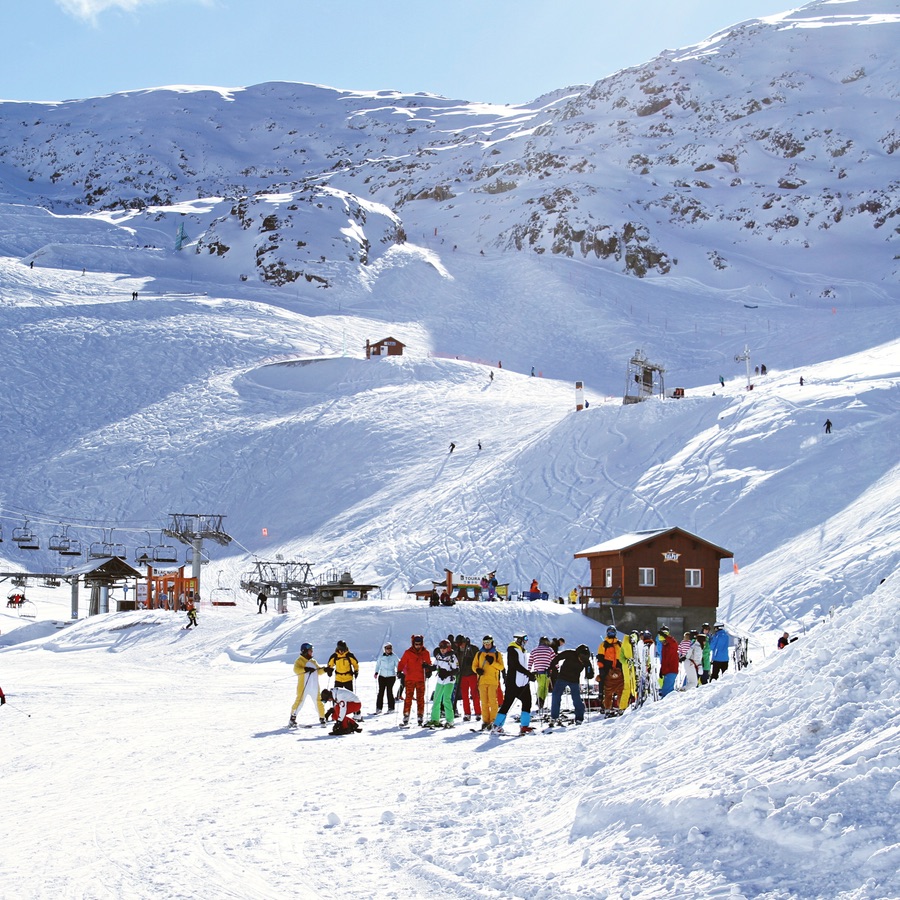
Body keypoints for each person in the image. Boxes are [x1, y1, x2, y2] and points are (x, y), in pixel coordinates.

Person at [492, 633, 535, 735]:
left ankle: (524, 726)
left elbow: (523, 666)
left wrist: (529, 674)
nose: (526, 641)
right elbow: (515, 665)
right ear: (519, 640)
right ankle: (497, 725)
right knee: (507, 704)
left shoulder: (522, 650)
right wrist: (528, 674)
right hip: (513, 682)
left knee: (527, 702)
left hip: (523, 682)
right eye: (524, 639)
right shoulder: (512, 650)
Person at [548, 644, 593, 725]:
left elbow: (590, 671)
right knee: (556, 695)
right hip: (562, 678)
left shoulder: (586, 660)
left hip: (574, 681)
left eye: (584, 660)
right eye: (581, 659)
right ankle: (554, 717)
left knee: (576, 699)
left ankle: (579, 718)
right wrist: (551, 667)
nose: (582, 661)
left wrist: (589, 674)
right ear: (578, 654)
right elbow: (558, 657)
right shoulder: (570, 653)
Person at [289, 642, 327, 727]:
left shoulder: (313, 661)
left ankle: (322, 718)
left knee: (318, 702)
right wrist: (305, 669)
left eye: (312, 650)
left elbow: (318, 671)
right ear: (305, 651)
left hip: (314, 686)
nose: (312, 652)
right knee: (299, 701)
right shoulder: (299, 660)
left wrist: (325, 670)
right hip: (304, 686)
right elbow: (296, 670)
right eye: (310, 650)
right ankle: (292, 718)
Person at [472, 635, 505, 730]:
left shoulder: (497, 654)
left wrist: (492, 662)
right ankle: (485, 721)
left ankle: (493, 721)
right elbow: (474, 666)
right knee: (484, 702)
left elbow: (501, 667)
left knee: (493, 701)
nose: (487, 645)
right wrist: (477, 670)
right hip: (482, 681)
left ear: (492, 643)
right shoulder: (479, 654)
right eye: (485, 643)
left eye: (488, 643)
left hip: (493, 681)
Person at [398, 634, 432, 726]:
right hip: (410, 679)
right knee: (408, 698)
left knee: (420, 698)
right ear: (413, 643)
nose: (418, 646)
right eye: (416, 644)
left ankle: (420, 715)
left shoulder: (426, 653)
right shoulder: (408, 653)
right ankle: (406, 714)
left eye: (419, 644)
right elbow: (402, 662)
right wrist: (399, 671)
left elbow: (429, 663)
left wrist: (428, 670)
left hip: (421, 679)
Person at [427, 639, 458, 727]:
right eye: (441, 647)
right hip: (440, 680)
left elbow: (456, 670)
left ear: (448, 648)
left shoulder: (452, 657)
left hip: (449, 681)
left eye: (444, 648)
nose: (442, 649)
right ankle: (435, 719)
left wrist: (447, 673)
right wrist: (428, 667)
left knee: (446, 700)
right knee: (436, 699)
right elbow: (435, 666)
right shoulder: (439, 656)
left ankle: (450, 720)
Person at [596, 626, 624, 712]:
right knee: (607, 691)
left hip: (619, 670)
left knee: (621, 690)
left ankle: (621, 707)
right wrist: (602, 669)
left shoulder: (620, 644)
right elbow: (600, 657)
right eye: (609, 632)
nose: (611, 633)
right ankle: (606, 707)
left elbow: (623, 656)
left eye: (612, 632)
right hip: (607, 670)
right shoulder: (603, 645)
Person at [455, 634, 481, 722]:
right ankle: (467, 713)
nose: (460, 645)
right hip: (462, 675)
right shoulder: (457, 651)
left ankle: (478, 712)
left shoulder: (473, 649)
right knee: (464, 695)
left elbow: (479, 660)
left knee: (475, 694)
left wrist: (472, 663)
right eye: (458, 644)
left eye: (461, 643)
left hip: (472, 674)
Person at [528, 636, 555, 713]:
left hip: (537, 673)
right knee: (544, 688)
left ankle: (540, 702)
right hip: (546, 672)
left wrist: (528, 671)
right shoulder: (549, 650)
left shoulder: (534, 650)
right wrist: (557, 667)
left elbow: (530, 662)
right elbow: (554, 660)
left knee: (540, 686)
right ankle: (540, 701)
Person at [374, 642, 398, 714]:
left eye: (390, 648)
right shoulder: (381, 657)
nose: (389, 649)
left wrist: (399, 672)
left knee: (389, 691)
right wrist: (376, 672)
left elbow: (398, 665)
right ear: (384, 649)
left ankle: (391, 708)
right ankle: (379, 708)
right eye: (387, 648)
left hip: (391, 676)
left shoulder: (394, 657)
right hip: (382, 676)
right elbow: (378, 665)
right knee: (381, 692)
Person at [657, 627, 680, 697]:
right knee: (666, 690)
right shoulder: (664, 647)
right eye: (661, 642)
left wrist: (666, 636)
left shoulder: (672, 645)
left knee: (666, 691)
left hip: (672, 670)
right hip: (666, 671)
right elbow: (664, 660)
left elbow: (672, 642)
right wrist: (661, 670)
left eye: (664, 641)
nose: (663, 643)